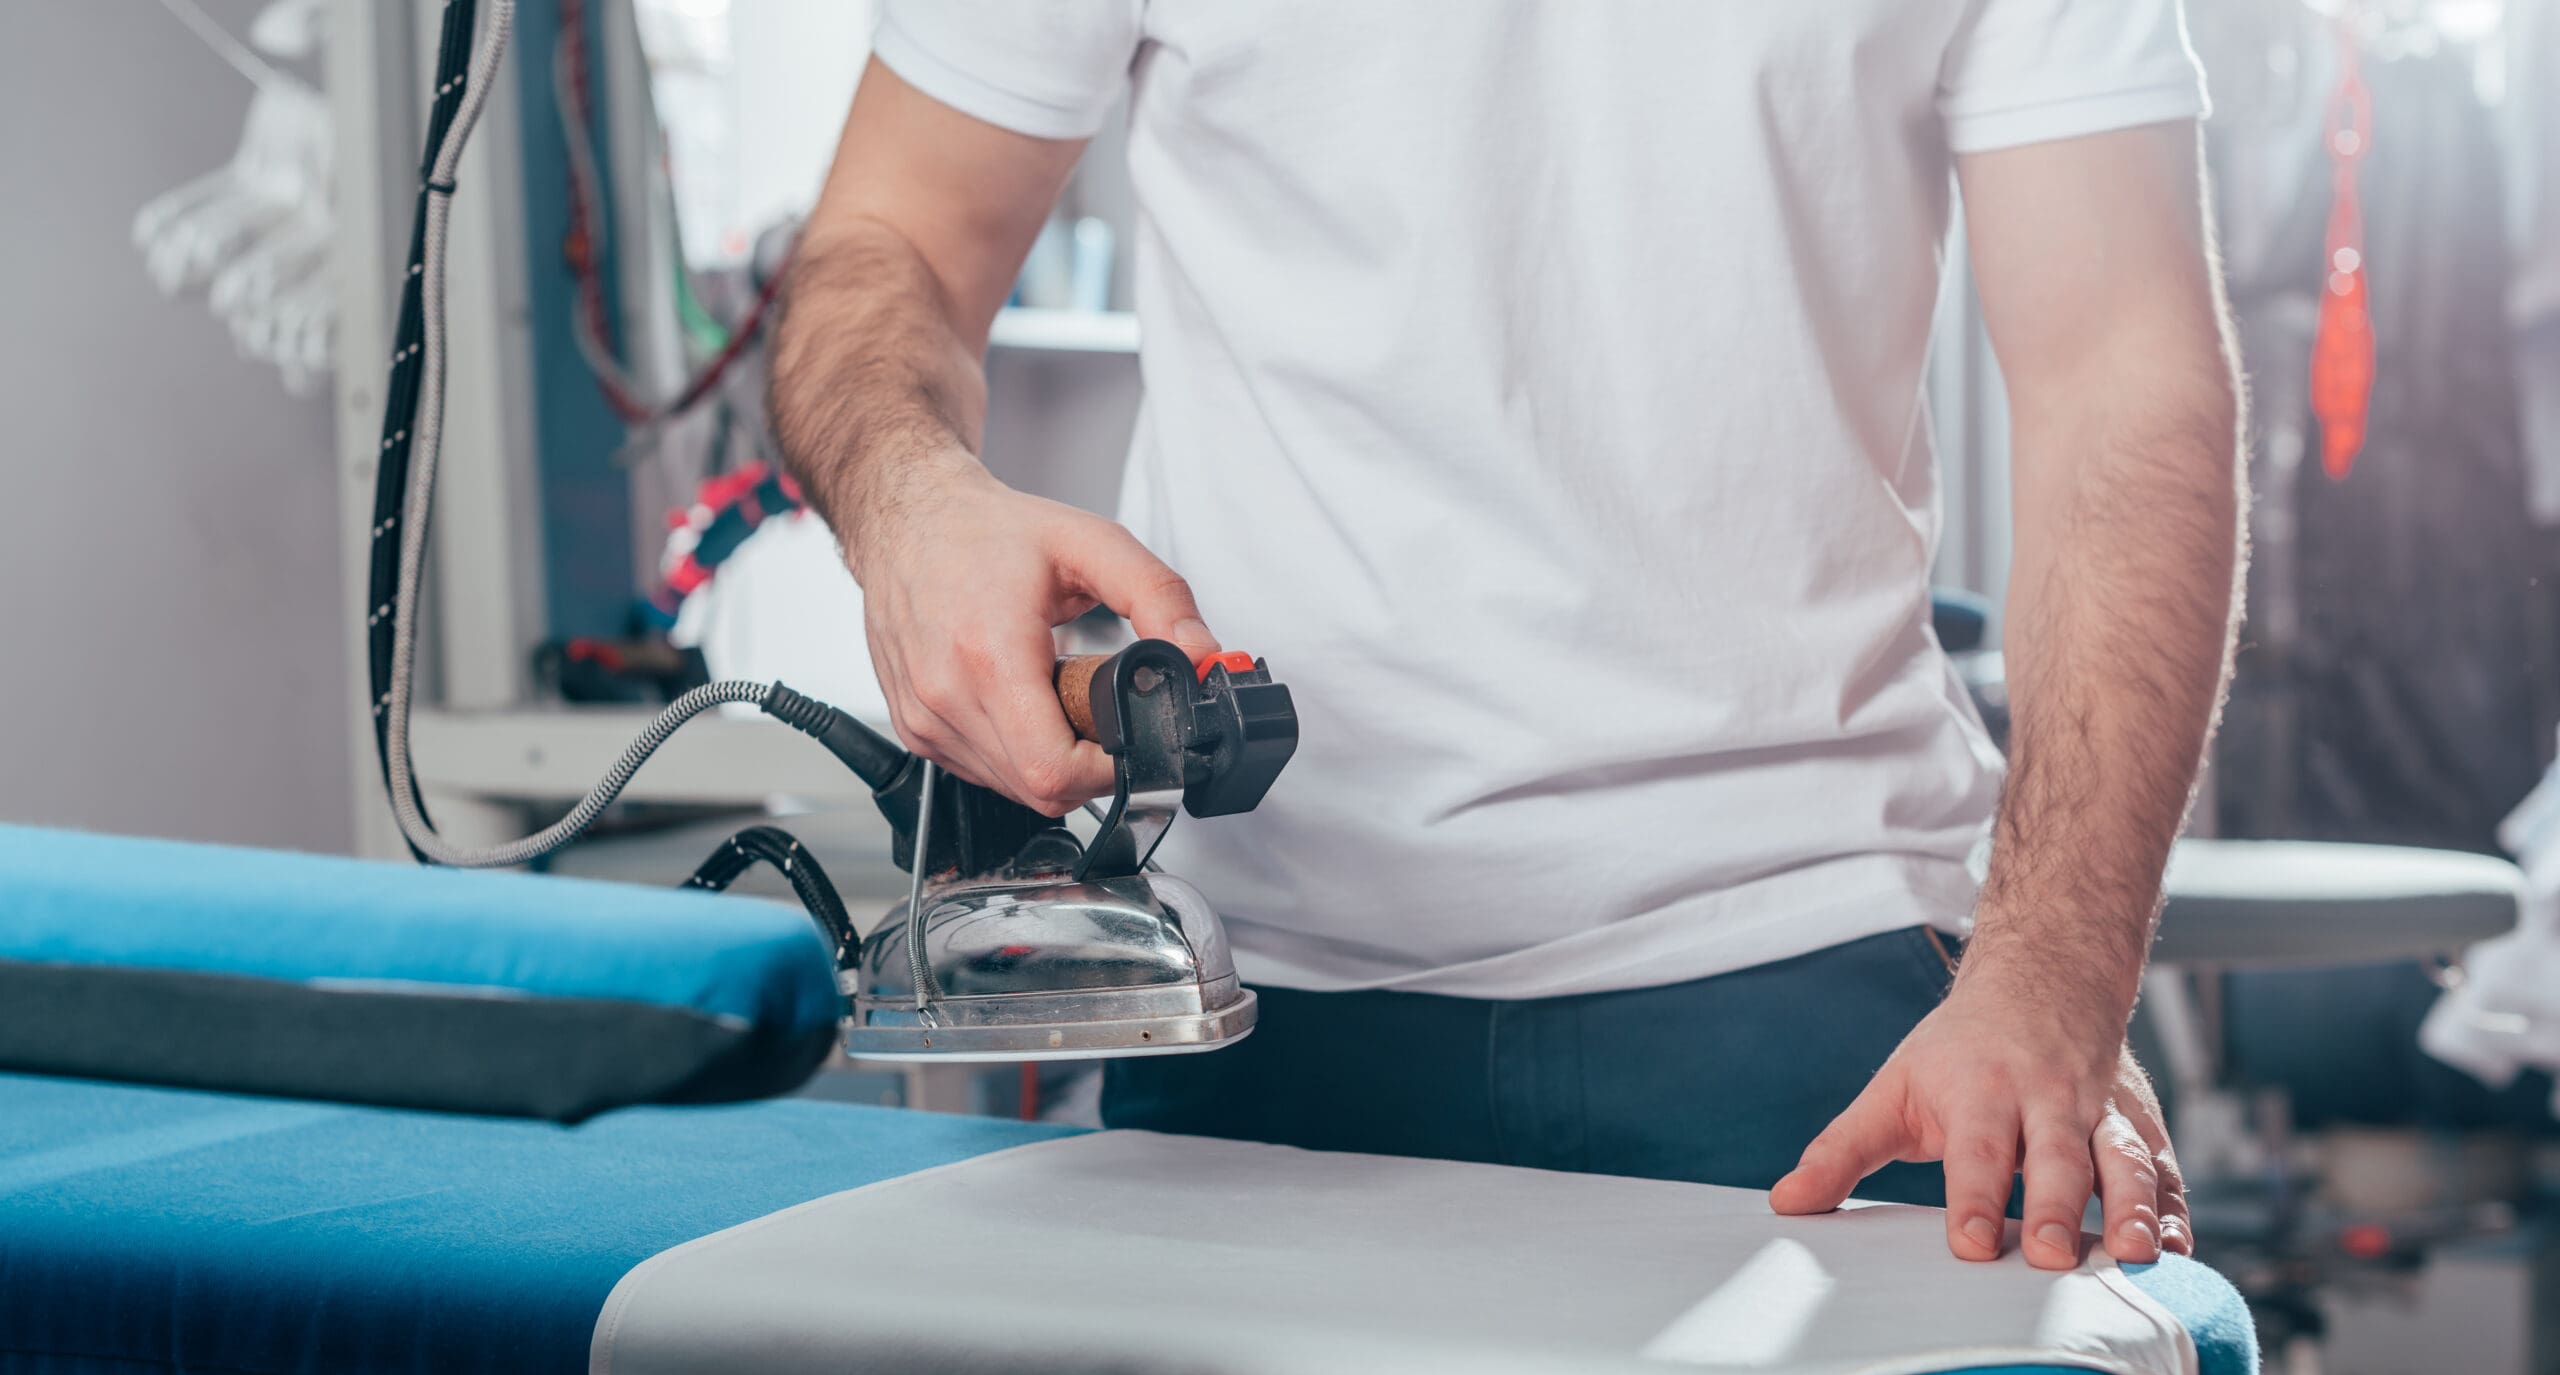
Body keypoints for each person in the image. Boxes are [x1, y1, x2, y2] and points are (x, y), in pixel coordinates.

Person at [769, 0, 2245, 1273]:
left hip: (1821, 990)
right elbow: (892, 241)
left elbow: (2124, 380)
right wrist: (912, 510)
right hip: (1264, 995)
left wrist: (2052, 973)